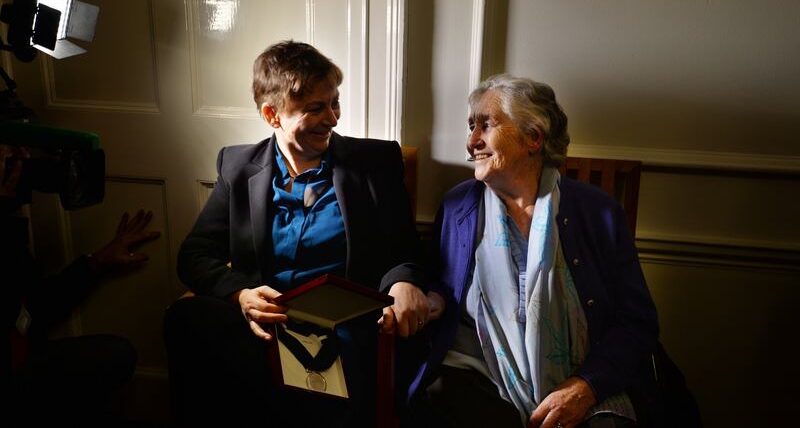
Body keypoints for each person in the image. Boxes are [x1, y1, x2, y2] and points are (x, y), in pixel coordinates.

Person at [164, 40, 429, 427]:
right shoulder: (238, 167)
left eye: (334, 102)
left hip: (342, 328)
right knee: (186, 318)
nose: (333, 118)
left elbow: (407, 252)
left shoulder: (375, 164)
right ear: (272, 115)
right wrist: (240, 293)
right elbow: (195, 254)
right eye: (315, 108)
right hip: (266, 328)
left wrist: (404, 282)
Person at [407, 74, 663, 428]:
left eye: (486, 125)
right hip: (479, 374)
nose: (471, 142)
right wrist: (431, 301)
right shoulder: (458, 207)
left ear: (533, 138)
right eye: (471, 127)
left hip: (584, 378)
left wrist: (585, 387)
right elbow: (442, 285)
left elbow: (637, 323)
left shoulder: (598, 213)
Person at [1, 144, 161, 427]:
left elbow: (35, 305)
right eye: (9, 155)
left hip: (24, 355)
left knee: (114, 355)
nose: (23, 159)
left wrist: (96, 262)